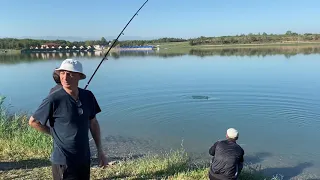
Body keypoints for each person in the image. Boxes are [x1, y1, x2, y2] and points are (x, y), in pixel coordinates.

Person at [29, 58, 107, 180]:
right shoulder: (54, 98)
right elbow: (33, 121)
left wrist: (100, 151)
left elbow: (93, 122)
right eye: (62, 73)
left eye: (70, 74)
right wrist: (53, 133)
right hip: (63, 160)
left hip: (84, 157)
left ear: (79, 76)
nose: (65, 77)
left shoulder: (88, 96)